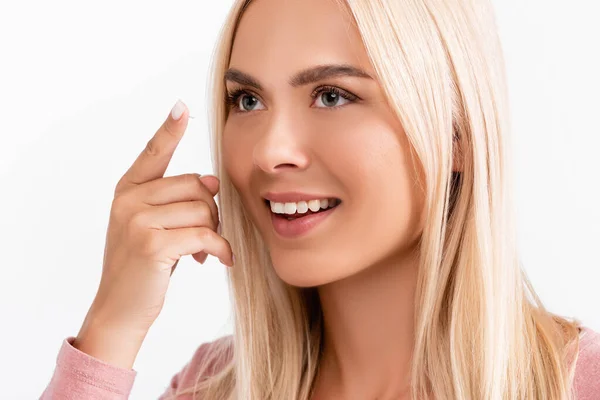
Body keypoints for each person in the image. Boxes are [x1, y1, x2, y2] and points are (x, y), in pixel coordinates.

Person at [40, 0, 600, 399]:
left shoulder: (578, 383)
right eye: (248, 99)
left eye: (332, 95)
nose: (268, 152)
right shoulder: (211, 388)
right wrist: (111, 331)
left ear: (456, 135)